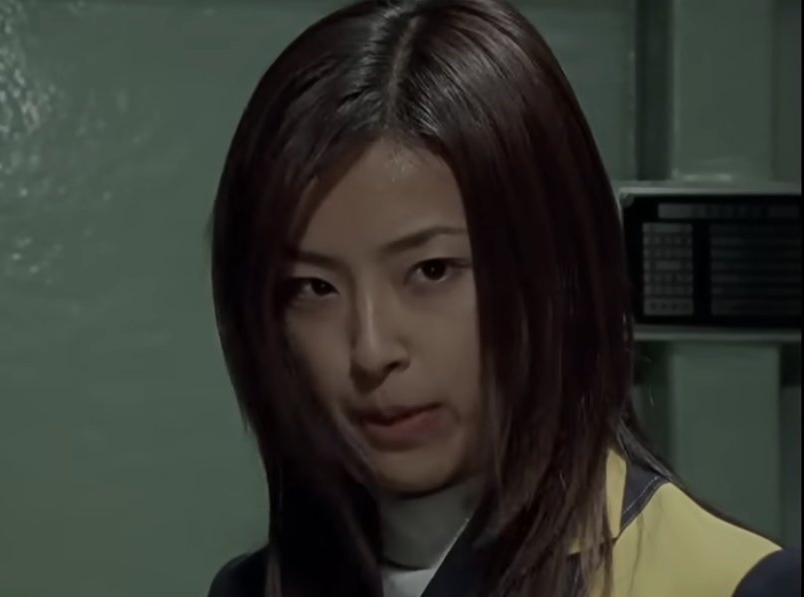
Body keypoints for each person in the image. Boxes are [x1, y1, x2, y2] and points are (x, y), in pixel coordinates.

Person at [207, 1, 801, 595]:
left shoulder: (733, 585)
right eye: (314, 288)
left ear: (554, 268)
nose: (372, 349)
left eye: (432, 270)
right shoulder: (252, 587)